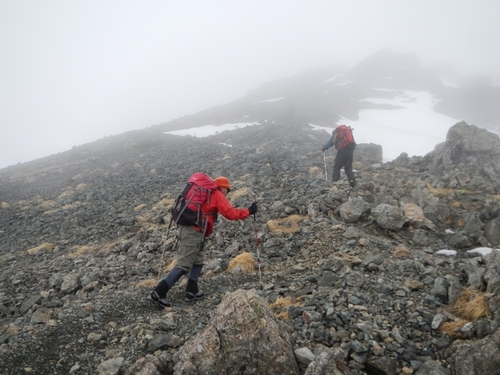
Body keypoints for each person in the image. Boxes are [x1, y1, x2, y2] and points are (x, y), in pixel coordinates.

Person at [150, 176, 258, 308]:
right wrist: (249, 211)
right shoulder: (217, 194)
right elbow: (230, 213)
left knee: (198, 259)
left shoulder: (206, 193)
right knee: (183, 264)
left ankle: (191, 290)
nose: (227, 193)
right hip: (193, 232)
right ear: (222, 187)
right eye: (227, 190)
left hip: (195, 231)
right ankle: (158, 293)